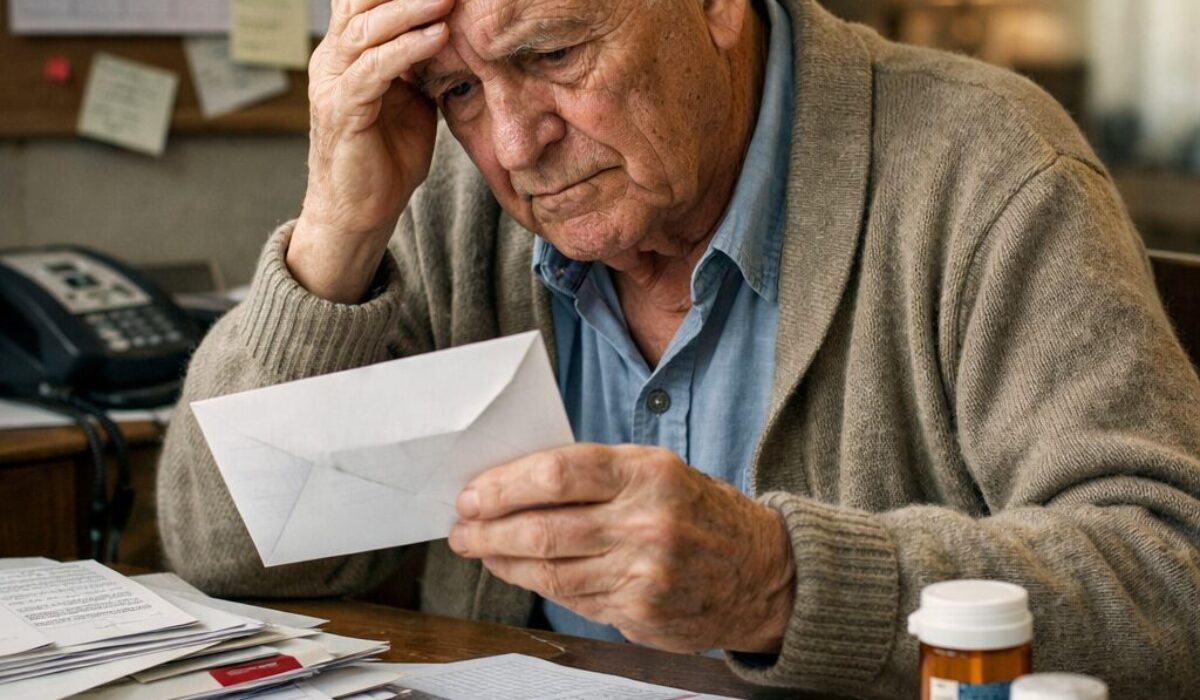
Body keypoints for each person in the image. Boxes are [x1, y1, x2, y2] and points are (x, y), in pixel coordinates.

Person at [157, 0, 1200, 696]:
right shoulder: (442, 200)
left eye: (554, 54)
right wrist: (334, 237)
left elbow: (1172, 578)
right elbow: (221, 549)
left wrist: (779, 582)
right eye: (459, 92)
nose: (515, 146)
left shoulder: (988, 170)